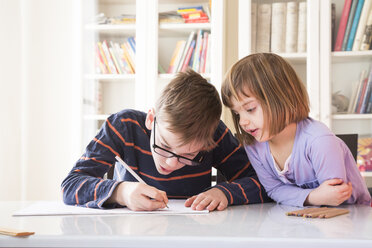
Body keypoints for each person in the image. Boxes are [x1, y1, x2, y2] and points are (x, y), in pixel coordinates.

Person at [62, 69, 271, 211]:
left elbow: (266, 183)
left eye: (189, 155)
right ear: (152, 119)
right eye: (164, 146)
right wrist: (121, 192)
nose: (171, 163)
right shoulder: (123, 126)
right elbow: (71, 185)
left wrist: (225, 192)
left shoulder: (213, 133)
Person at [221, 53, 371, 207]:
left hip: (352, 218)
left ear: (282, 98)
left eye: (250, 109)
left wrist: (309, 197)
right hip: (306, 220)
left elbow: (334, 197)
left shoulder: (319, 141)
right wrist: (313, 196)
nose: (243, 122)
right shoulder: (254, 145)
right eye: (237, 113)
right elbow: (274, 190)